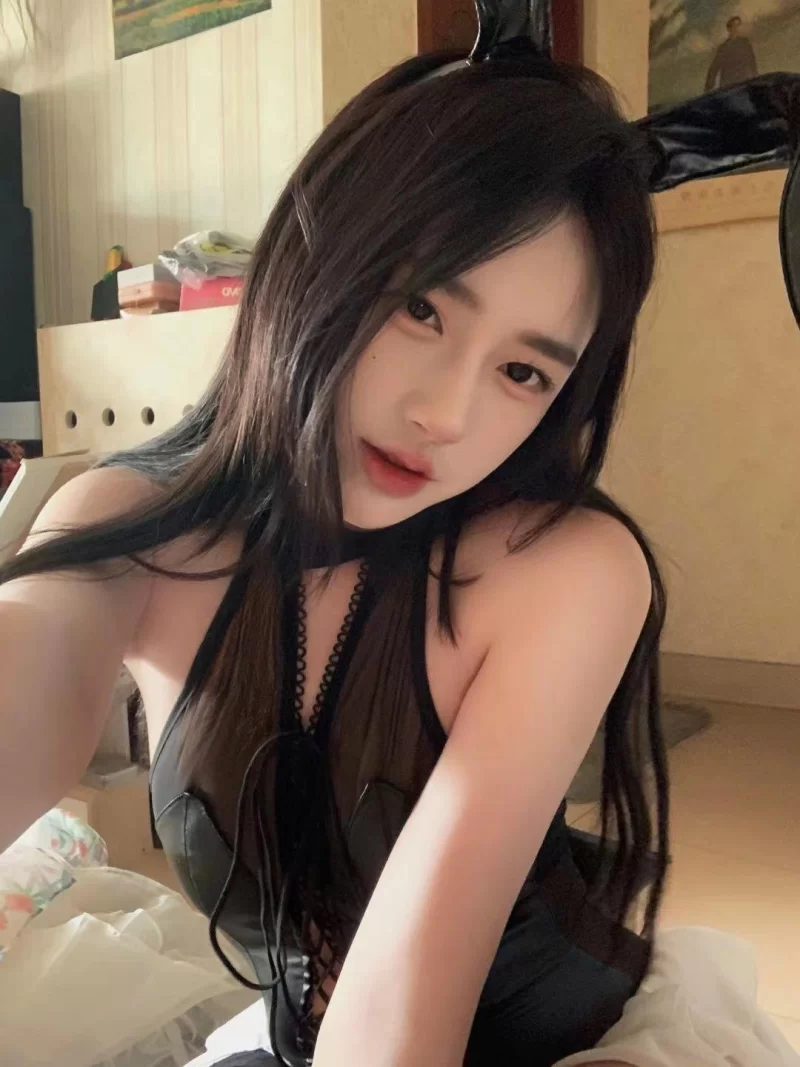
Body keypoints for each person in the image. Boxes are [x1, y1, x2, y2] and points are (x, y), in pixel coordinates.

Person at [0, 49, 670, 1067]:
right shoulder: (134, 522)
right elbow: (27, 670)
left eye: (523, 371)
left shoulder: (562, 569)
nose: (445, 412)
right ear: (315, 253)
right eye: (421, 308)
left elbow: (402, 1011)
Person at [705, 16, 759, 93]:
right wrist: (709, 87)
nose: (737, 28)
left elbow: (752, 61)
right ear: (729, 29)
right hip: (728, 84)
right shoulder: (723, 47)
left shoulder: (745, 43)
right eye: (734, 26)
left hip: (743, 81)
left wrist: (756, 78)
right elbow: (715, 67)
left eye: (738, 25)